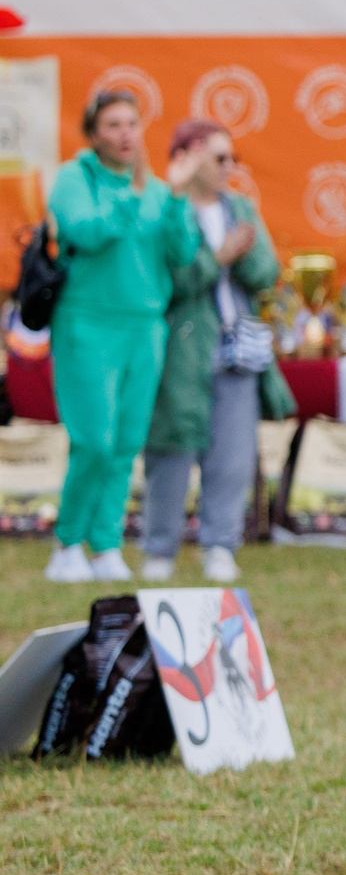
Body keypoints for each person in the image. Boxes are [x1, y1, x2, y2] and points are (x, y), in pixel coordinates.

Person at [42, 89, 211, 584]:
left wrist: (177, 197)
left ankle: (107, 544)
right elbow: (86, 232)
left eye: (132, 124)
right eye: (113, 125)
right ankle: (68, 542)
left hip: (145, 326)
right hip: (88, 322)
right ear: (94, 133)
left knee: (125, 441)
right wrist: (134, 196)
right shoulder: (76, 178)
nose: (124, 134)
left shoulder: (159, 189)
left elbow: (181, 253)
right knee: (92, 438)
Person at [140, 120, 286, 583]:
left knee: (233, 453)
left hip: (236, 345)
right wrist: (218, 257)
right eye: (219, 158)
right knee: (172, 447)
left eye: (232, 159)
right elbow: (172, 280)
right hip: (183, 347)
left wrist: (243, 253)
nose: (229, 167)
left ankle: (220, 544)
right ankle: (160, 548)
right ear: (189, 156)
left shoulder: (239, 207)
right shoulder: (167, 206)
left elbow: (266, 273)